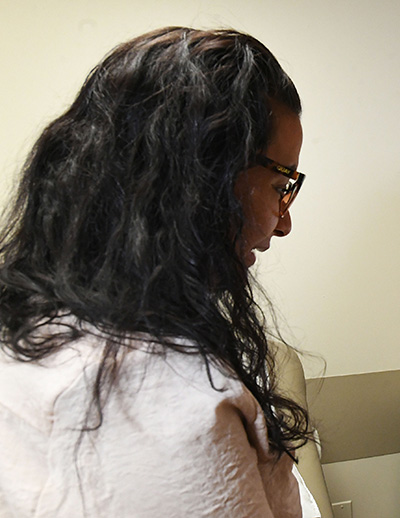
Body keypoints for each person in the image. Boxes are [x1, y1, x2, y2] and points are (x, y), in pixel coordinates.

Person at [0, 27, 327, 517]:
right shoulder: (183, 410)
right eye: (281, 183)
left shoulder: (32, 332)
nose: (284, 222)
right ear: (200, 180)